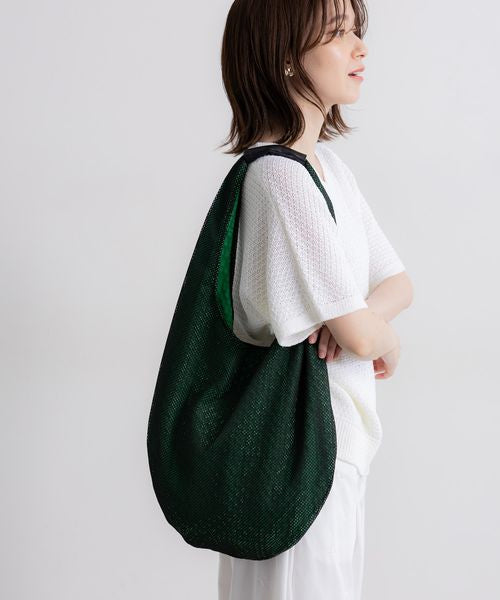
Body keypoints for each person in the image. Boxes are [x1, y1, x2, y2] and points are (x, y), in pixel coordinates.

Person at [217, 0, 414, 598]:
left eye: (357, 31)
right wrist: (378, 334)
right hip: (294, 455)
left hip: (332, 449)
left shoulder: (329, 170)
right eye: (337, 33)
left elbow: (398, 283)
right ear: (285, 58)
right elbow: (361, 338)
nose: (360, 47)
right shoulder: (279, 176)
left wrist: (366, 320)